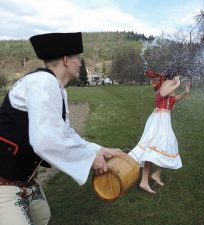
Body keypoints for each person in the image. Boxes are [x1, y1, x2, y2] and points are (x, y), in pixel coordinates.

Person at [0, 32, 125, 225]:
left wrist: (97, 150)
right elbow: (46, 140)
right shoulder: (43, 82)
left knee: (42, 218)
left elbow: (63, 133)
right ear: (66, 60)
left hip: (25, 180)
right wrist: (91, 159)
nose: (80, 64)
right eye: (78, 59)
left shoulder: (55, 86)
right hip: (4, 184)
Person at [128, 68, 191, 194]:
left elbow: (171, 101)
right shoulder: (168, 83)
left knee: (170, 146)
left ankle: (156, 174)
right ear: (175, 75)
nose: (180, 78)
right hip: (159, 119)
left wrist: (185, 92)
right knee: (152, 148)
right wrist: (177, 84)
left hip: (164, 119)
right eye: (179, 76)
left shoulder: (170, 85)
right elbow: (162, 94)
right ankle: (144, 182)